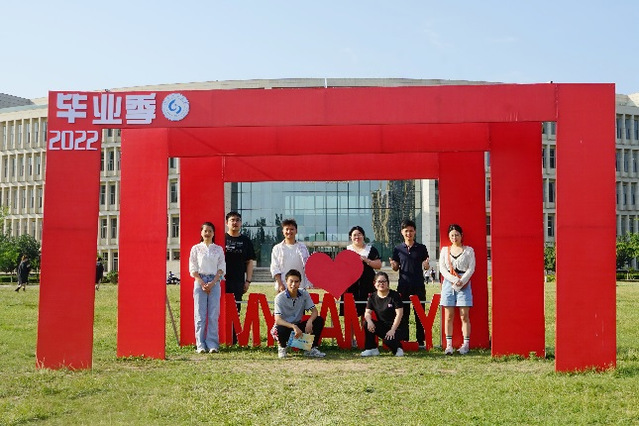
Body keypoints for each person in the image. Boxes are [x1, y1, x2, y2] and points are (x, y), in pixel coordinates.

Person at [390, 219, 430, 348]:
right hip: (403, 286)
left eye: (411, 231)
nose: (409, 233)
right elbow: (396, 268)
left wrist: (426, 265)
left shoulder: (421, 248)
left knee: (420, 314)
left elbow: (426, 265)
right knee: (403, 314)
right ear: (402, 232)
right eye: (406, 231)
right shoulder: (398, 249)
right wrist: (393, 265)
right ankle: (404, 340)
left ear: (415, 232)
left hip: (418, 285)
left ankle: (421, 341)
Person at [189, 221, 226, 354]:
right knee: (199, 315)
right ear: (201, 233)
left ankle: (212, 344)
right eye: (205, 231)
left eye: (210, 231)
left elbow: (221, 267)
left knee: (213, 314)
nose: (207, 233)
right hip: (200, 281)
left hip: (214, 282)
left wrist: (213, 282)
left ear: (213, 233)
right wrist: (201, 282)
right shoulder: (196, 249)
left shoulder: (218, 249)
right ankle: (200, 345)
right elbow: (192, 267)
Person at [439, 224, 475, 355]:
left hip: (464, 284)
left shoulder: (469, 250)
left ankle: (466, 344)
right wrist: (454, 279)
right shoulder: (445, 250)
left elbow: (471, 268)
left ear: (461, 235)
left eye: (457, 235)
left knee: (464, 315)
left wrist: (462, 281)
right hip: (449, 284)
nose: (454, 237)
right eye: (452, 235)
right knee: (449, 315)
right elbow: (442, 268)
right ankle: (449, 345)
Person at [342, 226, 381, 347]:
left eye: (359, 234)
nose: (357, 237)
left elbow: (378, 265)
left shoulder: (371, 249)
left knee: (366, 312)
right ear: (350, 237)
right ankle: (351, 340)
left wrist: (367, 260)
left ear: (363, 236)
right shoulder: (346, 250)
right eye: (354, 235)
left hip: (367, 285)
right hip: (350, 286)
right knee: (351, 314)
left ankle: (364, 338)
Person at [273, 269, 326, 358]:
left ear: (300, 282)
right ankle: (282, 348)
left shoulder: (304, 294)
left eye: (296, 281)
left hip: (298, 326)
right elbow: (278, 320)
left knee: (318, 320)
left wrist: (309, 321)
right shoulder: (279, 298)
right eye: (291, 281)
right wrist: (293, 326)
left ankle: (310, 349)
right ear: (286, 282)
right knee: (279, 328)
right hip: (286, 326)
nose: (293, 284)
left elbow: (314, 311)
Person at [224, 211, 256, 344]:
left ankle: (233, 338)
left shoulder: (246, 241)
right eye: (232, 220)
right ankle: (222, 336)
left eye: (237, 220)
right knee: (221, 308)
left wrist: (248, 281)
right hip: (221, 280)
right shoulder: (221, 238)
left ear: (241, 223)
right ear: (227, 223)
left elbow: (249, 262)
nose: (235, 222)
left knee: (236, 308)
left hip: (238, 281)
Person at [361, 271, 406, 357]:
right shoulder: (372, 297)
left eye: (384, 281)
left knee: (387, 341)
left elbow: (399, 314)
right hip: (383, 326)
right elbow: (367, 312)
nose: (381, 284)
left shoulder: (394, 295)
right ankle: (371, 348)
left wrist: (392, 330)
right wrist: (369, 321)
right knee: (367, 323)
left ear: (388, 283)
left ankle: (398, 348)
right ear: (374, 283)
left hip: (397, 327)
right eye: (379, 281)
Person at [270, 218, 311, 292]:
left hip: (300, 287)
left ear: (296, 231)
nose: (289, 231)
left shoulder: (303, 248)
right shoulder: (277, 248)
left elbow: (308, 266)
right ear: (283, 231)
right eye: (287, 229)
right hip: (283, 287)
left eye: (292, 229)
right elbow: (274, 268)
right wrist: (280, 284)